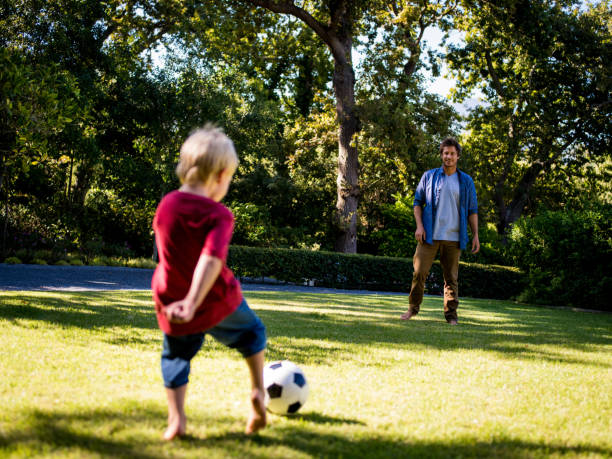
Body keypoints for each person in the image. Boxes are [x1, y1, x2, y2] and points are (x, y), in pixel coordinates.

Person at [151, 125, 267, 440]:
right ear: (220, 176)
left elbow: (169, 254)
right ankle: (258, 391)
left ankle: (177, 420)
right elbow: (211, 257)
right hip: (214, 299)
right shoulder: (219, 214)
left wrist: (182, 300)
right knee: (254, 333)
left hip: (170, 296)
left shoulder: (167, 206)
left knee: (175, 356)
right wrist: (193, 300)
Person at [400, 137, 479, 325]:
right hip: (430, 236)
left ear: (458, 156)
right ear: (441, 155)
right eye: (445, 153)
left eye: (452, 153)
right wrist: (419, 226)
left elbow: (472, 210)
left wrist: (475, 234)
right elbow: (417, 203)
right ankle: (412, 309)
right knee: (419, 273)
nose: (448, 156)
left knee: (451, 279)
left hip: (454, 238)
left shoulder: (466, 181)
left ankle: (451, 316)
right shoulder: (429, 176)